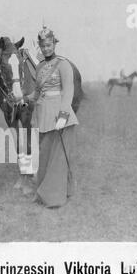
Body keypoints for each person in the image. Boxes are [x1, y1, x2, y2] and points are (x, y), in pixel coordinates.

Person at [24, 26, 79, 208]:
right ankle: (55, 190)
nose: (46, 48)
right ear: (39, 47)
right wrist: (22, 99)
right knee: (46, 157)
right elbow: (37, 93)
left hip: (60, 117)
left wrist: (63, 115)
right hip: (43, 116)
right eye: (43, 46)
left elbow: (68, 90)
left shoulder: (63, 64)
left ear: (54, 44)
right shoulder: (39, 67)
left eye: (49, 45)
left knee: (58, 158)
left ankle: (53, 197)